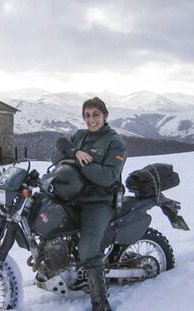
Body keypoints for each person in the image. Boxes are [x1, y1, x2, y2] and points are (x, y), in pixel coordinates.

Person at [64, 97, 127, 311]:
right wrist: (74, 152)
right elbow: (58, 152)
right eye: (87, 115)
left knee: (88, 248)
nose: (91, 120)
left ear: (105, 116)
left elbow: (109, 176)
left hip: (99, 201)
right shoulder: (79, 136)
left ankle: (101, 304)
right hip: (74, 196)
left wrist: (79, 164)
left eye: (96, 115)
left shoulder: (114, 141)